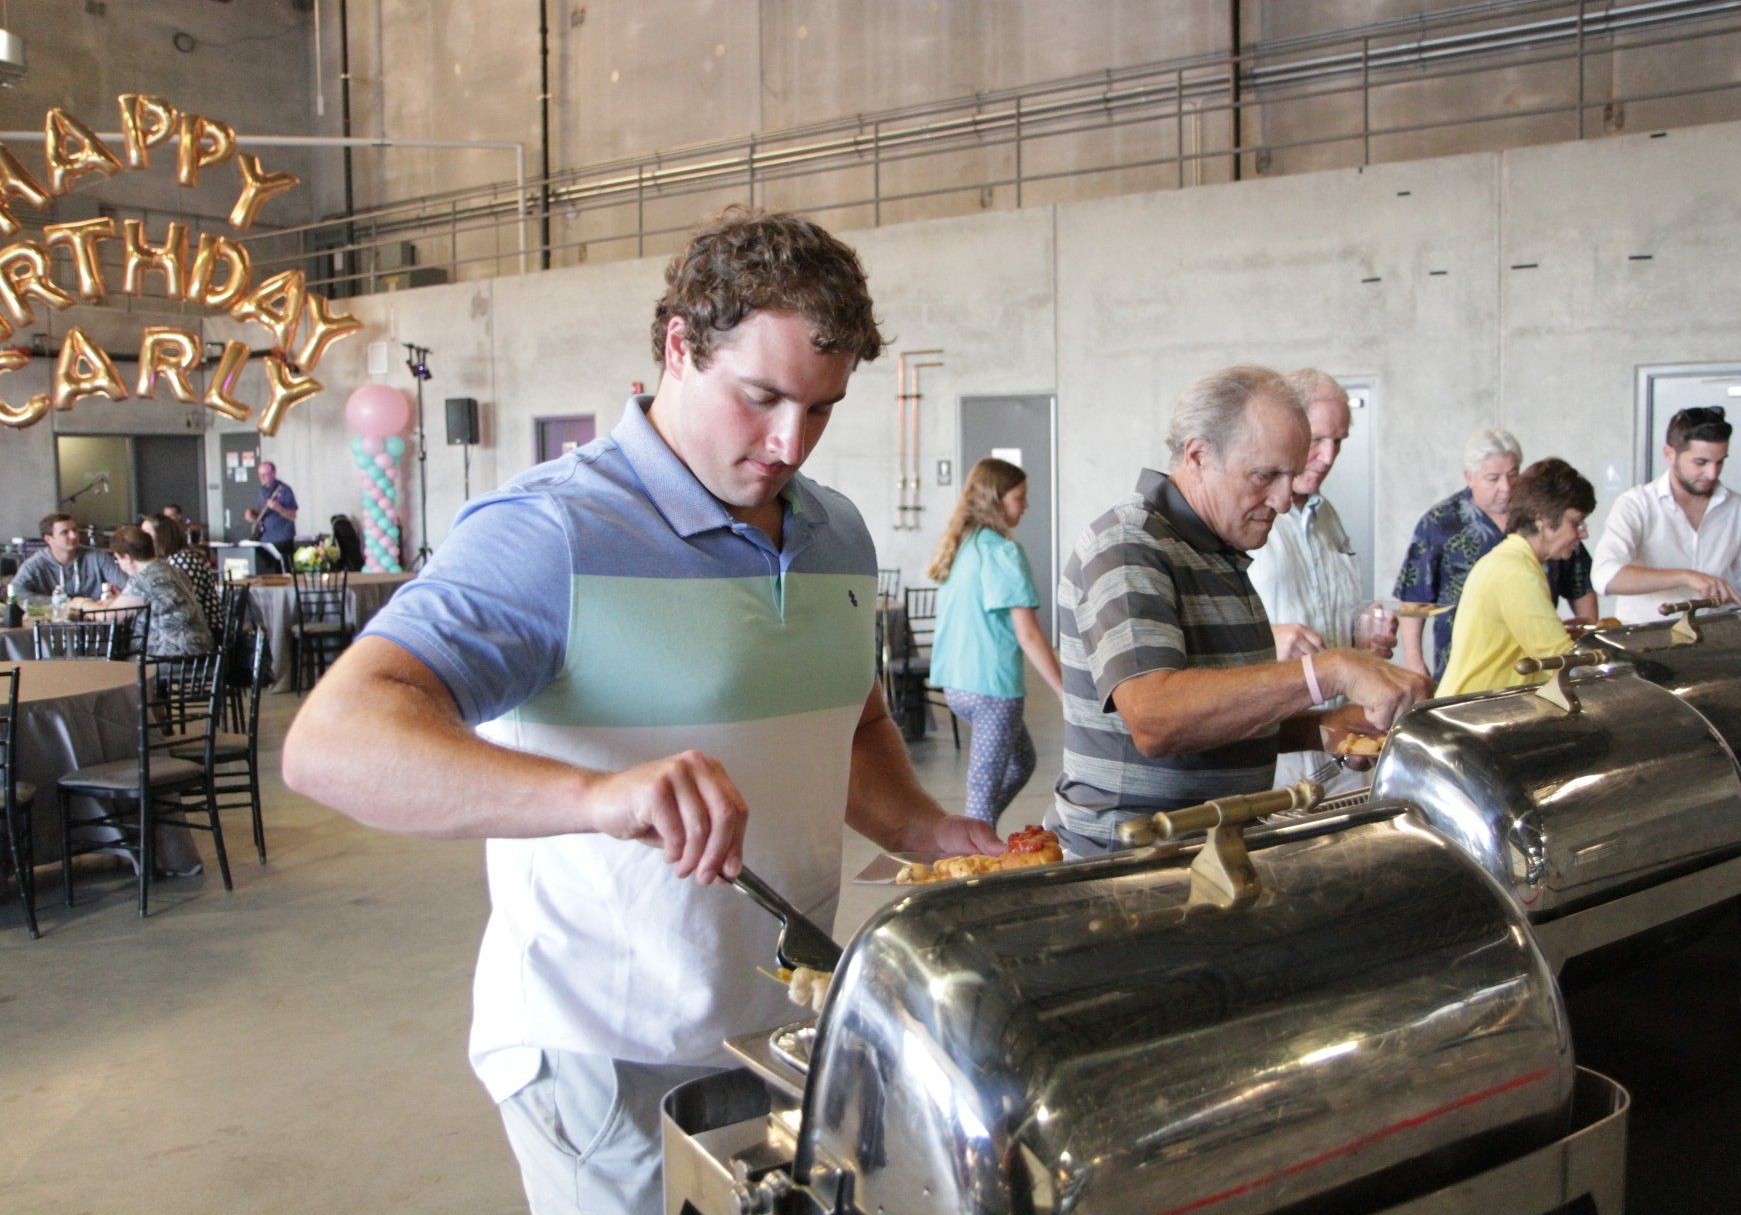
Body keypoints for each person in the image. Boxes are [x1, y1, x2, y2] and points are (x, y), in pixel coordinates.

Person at [281, 209, 1001, 1215]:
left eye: (823, 408)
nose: (790, 441)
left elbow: (853, 723)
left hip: (777, 1025)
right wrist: (598, 792)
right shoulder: (551, 530)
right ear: (678, 345)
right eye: (761, 397)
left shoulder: (834, 530)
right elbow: (332, 742)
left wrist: (930, 828)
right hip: (602, 1048)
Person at [1047, 365, 1430, 857]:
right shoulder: (1126, 545)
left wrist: (1323, 727)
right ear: (1198, 455)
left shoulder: (1220, 553)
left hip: (1210, 852)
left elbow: (1222, 717)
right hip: (1131, 866)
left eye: (1290, 477)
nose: (1283, 500)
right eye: (1266, 475)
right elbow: (1156, 716)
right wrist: (1328, 671)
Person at [1244, 370, 1395, 787]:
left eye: (1339, 442)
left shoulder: (1327, 517)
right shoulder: (1245, 518)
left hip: (1341, 739)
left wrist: (1364, 635)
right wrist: (1267, 637)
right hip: (1277, 745)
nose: (1329, 456)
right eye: (1318, 439)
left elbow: (1332, 609)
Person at [1392, 429, 1599, 678]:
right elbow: (1414, 598)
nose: (1506, 486)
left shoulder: (1536, 520)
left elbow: (1580, 586)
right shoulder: (1441, 523)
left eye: (1513, 474)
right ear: (1470, 477)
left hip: (1519, 673)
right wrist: (1415, 665)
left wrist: (1584, 633)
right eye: (1493, 478)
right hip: (1474, 679)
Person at [926, 457, 1065, 826]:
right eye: (1020, 496)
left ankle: (976, 830)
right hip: (992, 690)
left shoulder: (963, 546)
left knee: (1023, 762)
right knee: (982, 796)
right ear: (996, 500)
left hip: (958, 685)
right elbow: (1029, 633)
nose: (1026, 504)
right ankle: (973, 850)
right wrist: (1065, 691)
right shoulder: (1003, 552)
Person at [1591, 406, 1741, 623]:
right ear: (1669, 454)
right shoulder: (1635, 504)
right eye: (1701, 462)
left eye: (1720, 462)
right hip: (1643, 646)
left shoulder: (1737, 508)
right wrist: (1686, 577)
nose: (1712, 473)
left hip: (1712, 644)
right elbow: (1605, 576)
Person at [1437, 459, 1596, 697]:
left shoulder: (1514, 561)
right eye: (1576, 522)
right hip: (1474, 714)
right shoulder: (1516, 572)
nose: (1583, 533)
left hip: (1480, 709)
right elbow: (1563, 662)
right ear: (1541, 520)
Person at [102, 524, 216, 657]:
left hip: (168, 659)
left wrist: (81, 603)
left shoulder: (141, 579)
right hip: (203, 655)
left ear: (128, 558)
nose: (119, 565)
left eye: (117, 559)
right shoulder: (174, 570)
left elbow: (108, 616)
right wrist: (121, 598)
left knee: (117, 668)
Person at [143, 513, 223, 640]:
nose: (143, 539)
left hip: (202, 631)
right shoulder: (172, 560)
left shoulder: (183, 560)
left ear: (162, 536)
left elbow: (182, 602)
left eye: (147, 534)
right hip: (186, 628)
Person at [12, 512, 122, 603]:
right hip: (53, 622)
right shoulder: (34, 564)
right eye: (65, 532)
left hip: (95, 620)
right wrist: (57, 602)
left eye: (74, 530)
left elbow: (128, 586)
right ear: (48, 539)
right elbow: (15, 593)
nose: (73, 536)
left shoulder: (98, 558)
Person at [245, 461, 299, 568]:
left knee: (284, 572)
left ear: (273, 474)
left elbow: (292, 515)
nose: (262, 477)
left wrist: (278, 508)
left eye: (265, 474)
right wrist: (252, 516)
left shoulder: (284, 490)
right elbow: (261, 514)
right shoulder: (261, 490)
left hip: (282, 539)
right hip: (265, 539)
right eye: (260, 475)